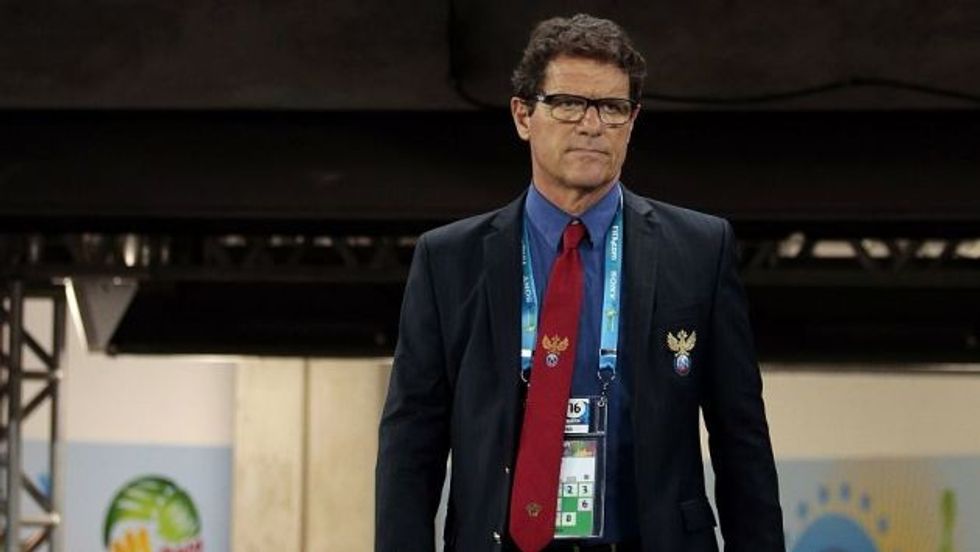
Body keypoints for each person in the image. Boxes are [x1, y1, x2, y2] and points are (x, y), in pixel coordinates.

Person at [376, 13, 783, 552]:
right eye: (568, 103)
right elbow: (412, 446)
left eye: (612, 108)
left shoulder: (700, 249)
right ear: (523, 115)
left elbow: (741, 440)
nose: (592, 125)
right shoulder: (449, 261)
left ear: (632, 121)